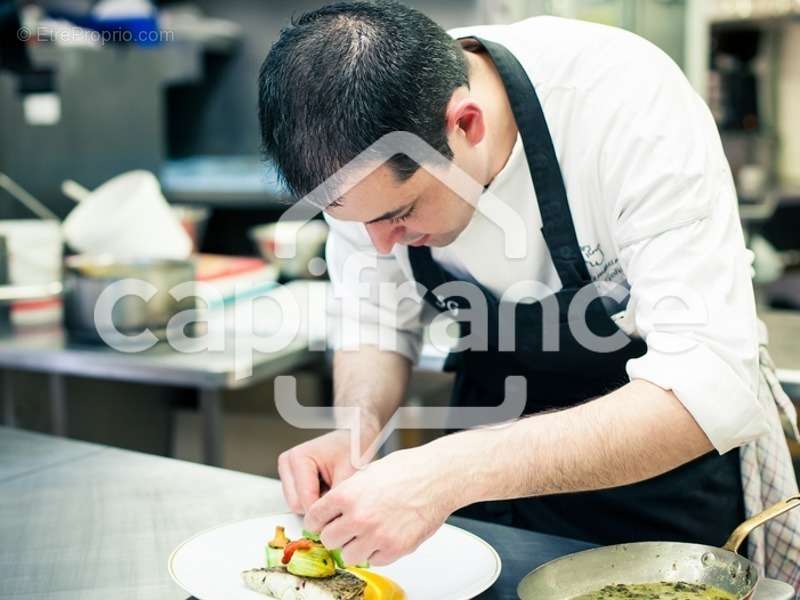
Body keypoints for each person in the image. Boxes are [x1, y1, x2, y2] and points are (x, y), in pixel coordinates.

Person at [257, 1, 800, 588]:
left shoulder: (624, 106)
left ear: (466, 125)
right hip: (486, 491)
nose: (381, 246)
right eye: (356, 223)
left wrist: (448, 472)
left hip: (656, 505)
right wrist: (355, 435)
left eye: (401, 213)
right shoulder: (360, 149)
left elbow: (709, 388)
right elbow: (377, 315)